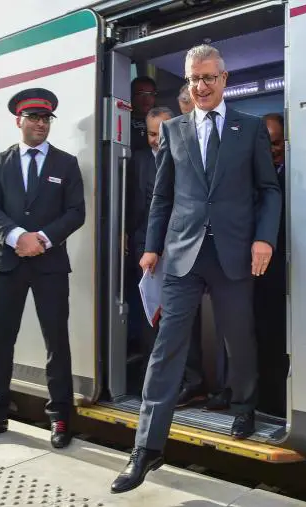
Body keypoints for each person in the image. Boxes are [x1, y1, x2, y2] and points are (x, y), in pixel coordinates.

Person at [111, 44, 281, 493]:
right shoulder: (174, 131)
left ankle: (244, 407)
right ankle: (146, 448)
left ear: (224, 80)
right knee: (166, 347)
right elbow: (162, 196)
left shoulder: (248, 129)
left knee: (238, 338)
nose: (200, 86)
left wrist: (264, 238)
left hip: (233, 254)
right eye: (193, 79)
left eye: (208, 78)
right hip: (182, 255)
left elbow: (269, 190)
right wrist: (151, 247)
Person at [0, 88, 86, 450]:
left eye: (46, 118)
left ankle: (61, 416)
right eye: (33, 118)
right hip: (8, 262)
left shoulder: (65, 164)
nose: (40, 124)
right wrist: (18, 236)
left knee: (56, 342)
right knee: (1, 342)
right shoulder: (0, 162)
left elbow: (76, 212)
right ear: (18, 120)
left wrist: (43, 239)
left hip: (49, 265)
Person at [130, 107, 208, 403]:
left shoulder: (190, 154)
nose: (157, 140)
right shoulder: (136, 162)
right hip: (145, 248)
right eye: (151, 134)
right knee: (151, 315)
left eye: (162, 133)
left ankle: (193, 380)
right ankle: (158, 382)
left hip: (181, 247)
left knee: (184, 317)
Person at [254, 112, 288, 417]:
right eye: (267, 143)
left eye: (276, 143)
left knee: (279, 340)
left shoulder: (294, 175)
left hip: (284, 273)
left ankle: (277, 404)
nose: (272, 149)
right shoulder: (252, 175)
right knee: (261, 339)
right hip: (257, 275)